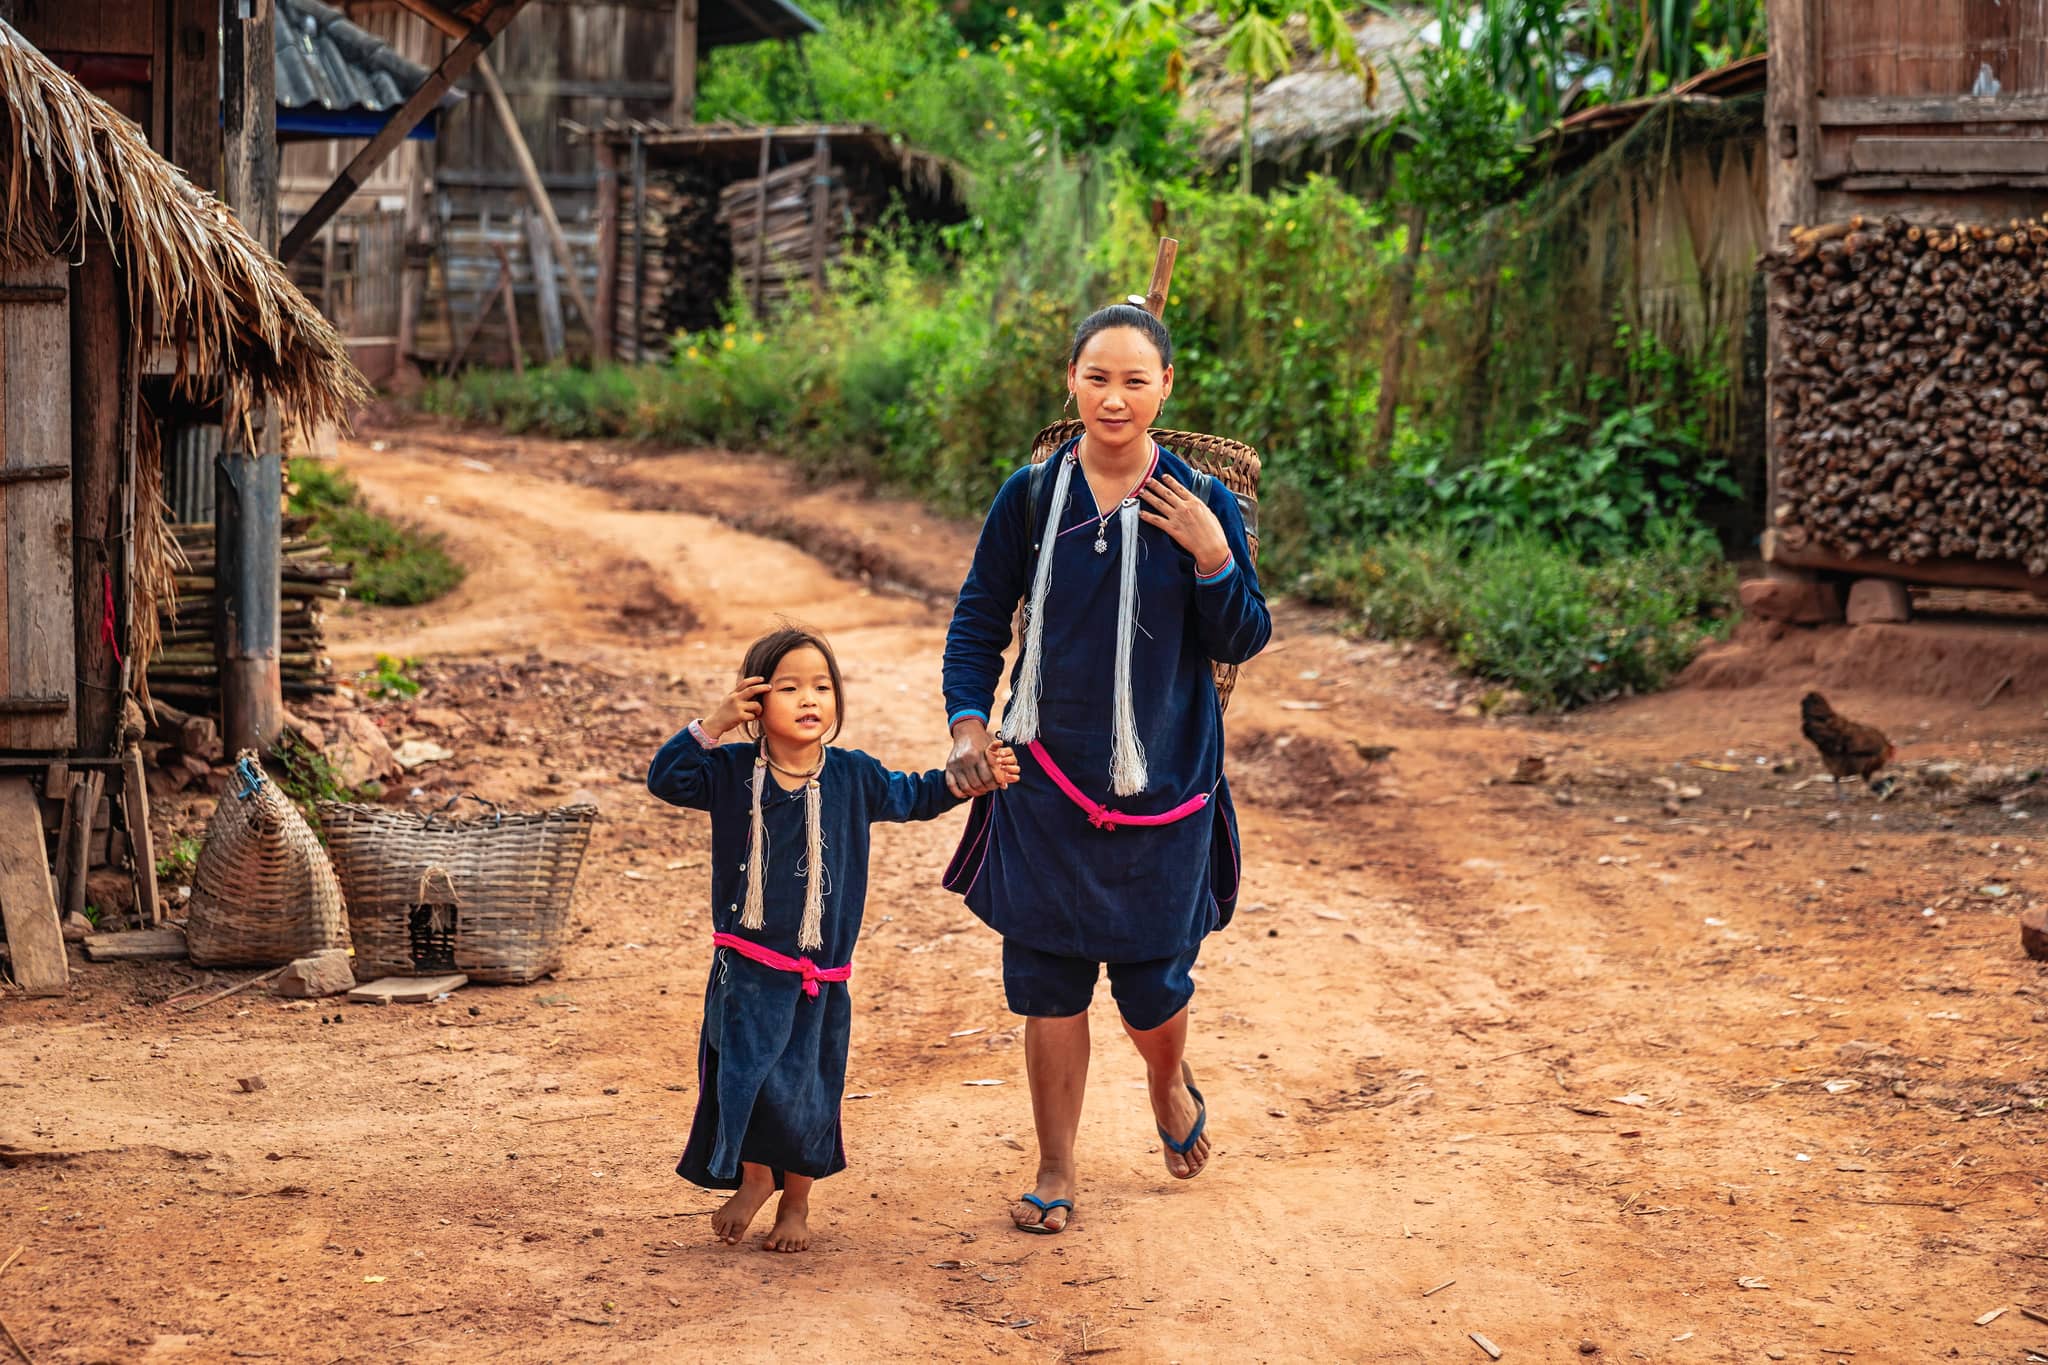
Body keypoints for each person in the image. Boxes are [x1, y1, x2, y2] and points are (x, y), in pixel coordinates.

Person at [940, 303, 1271, 1235]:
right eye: (1098, 377)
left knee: (1153, 983)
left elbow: (1243, 635)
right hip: (1042, 778)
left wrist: (1213, 554)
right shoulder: (1031, 496)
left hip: (1164, 788)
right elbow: (978, 620)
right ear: (1071, 383)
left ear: (1166, 387)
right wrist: (969, 727)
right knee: (1047, 979)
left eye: (1134, 379)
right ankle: (1054, 1163)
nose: (1114, 397)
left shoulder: (1199, 501)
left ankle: (1167, 1083)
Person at [648, 625, 1018, 1252]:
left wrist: (973, 778)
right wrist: (713, 724)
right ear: (754, 701)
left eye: (821, 687)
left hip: (821, 977)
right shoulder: (732, 772)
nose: (809, 699)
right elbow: (667, 778)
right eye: (789, 688)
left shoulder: (853, 775)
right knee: (748, 1079)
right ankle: (756, 1178)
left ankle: (796, 1201)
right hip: (747, 969)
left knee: (809, 1090)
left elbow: (917, 795)